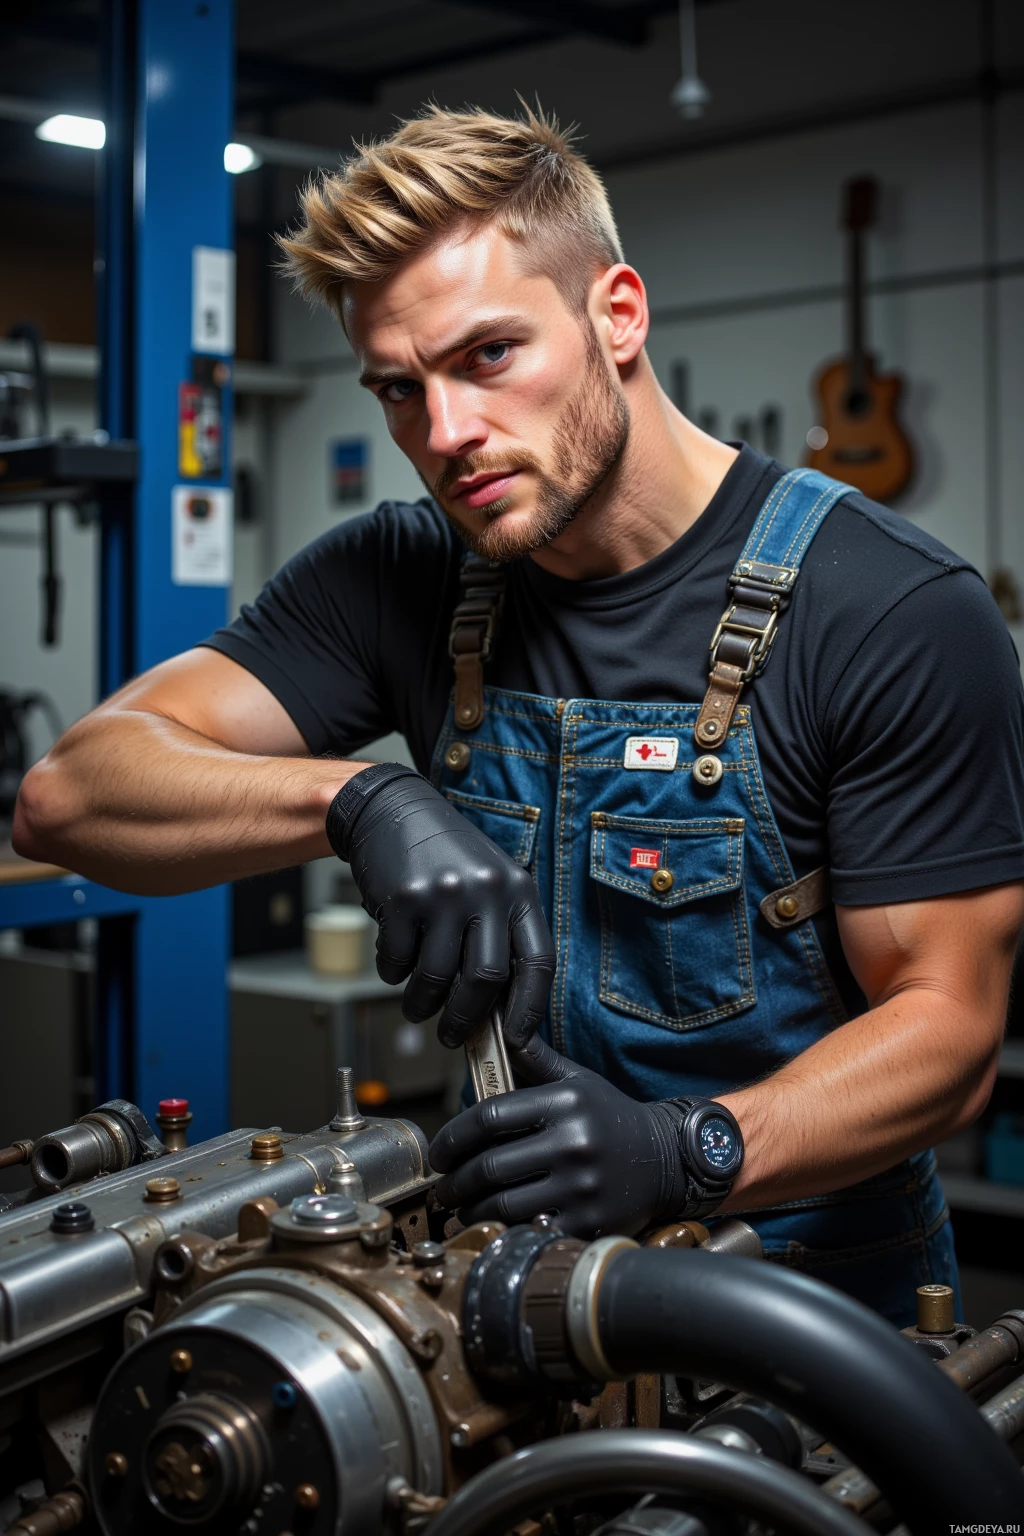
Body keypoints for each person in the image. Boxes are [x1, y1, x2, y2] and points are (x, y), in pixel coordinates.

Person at [14, 106, 1024, 1326]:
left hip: (815, 1301)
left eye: (486, 356)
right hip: (524, 1287)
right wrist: (359, 797)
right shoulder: (400, 575)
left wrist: (682, 1150)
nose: (442, 436)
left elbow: (949, 1036)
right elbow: (71, 795)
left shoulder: (886, 608)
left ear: (617, 315)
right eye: (398, 388)